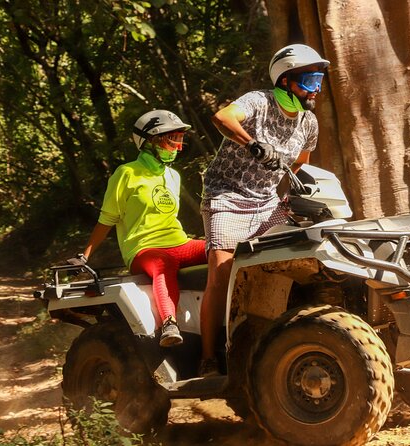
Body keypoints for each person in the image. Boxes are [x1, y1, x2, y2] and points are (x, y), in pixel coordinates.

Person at [199, 44, 330, 375]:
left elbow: (301, 161)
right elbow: (222, 116)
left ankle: (268, 346)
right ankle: (210, 358)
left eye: (319, 81)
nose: (315, 89)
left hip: (268, 201)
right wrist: (253, 145)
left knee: (294, 264)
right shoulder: (258, 102)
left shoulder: (308, 122)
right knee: (222, 272)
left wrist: (286, 195)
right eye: (309, 81)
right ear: (286, 81)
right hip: (226, 197)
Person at [70, 110, 207, 347]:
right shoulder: (126, 173)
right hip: (143, 247)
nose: (176, 146)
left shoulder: (173, 176)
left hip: (178, 242)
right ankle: (169, 324)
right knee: (163, 263)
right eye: (171, 139)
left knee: (220, 248)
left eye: (179, 139)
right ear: (150, 141)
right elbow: (107, 219)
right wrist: (85, 256)